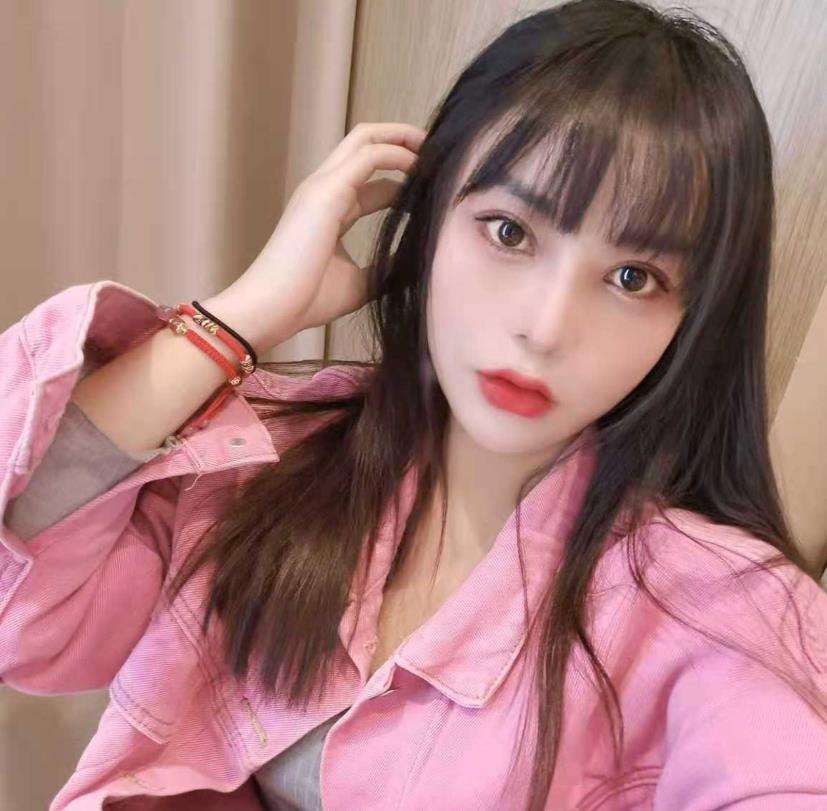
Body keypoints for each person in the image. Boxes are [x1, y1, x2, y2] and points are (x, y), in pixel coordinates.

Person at [1, 0, 826, 808]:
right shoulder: (269, 461)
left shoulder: (710, 607)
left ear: (690, 320)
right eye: (509, 231)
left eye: (630, 278)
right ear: (428, 219)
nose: (542, 328)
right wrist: (246, 313)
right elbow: (23, 610)